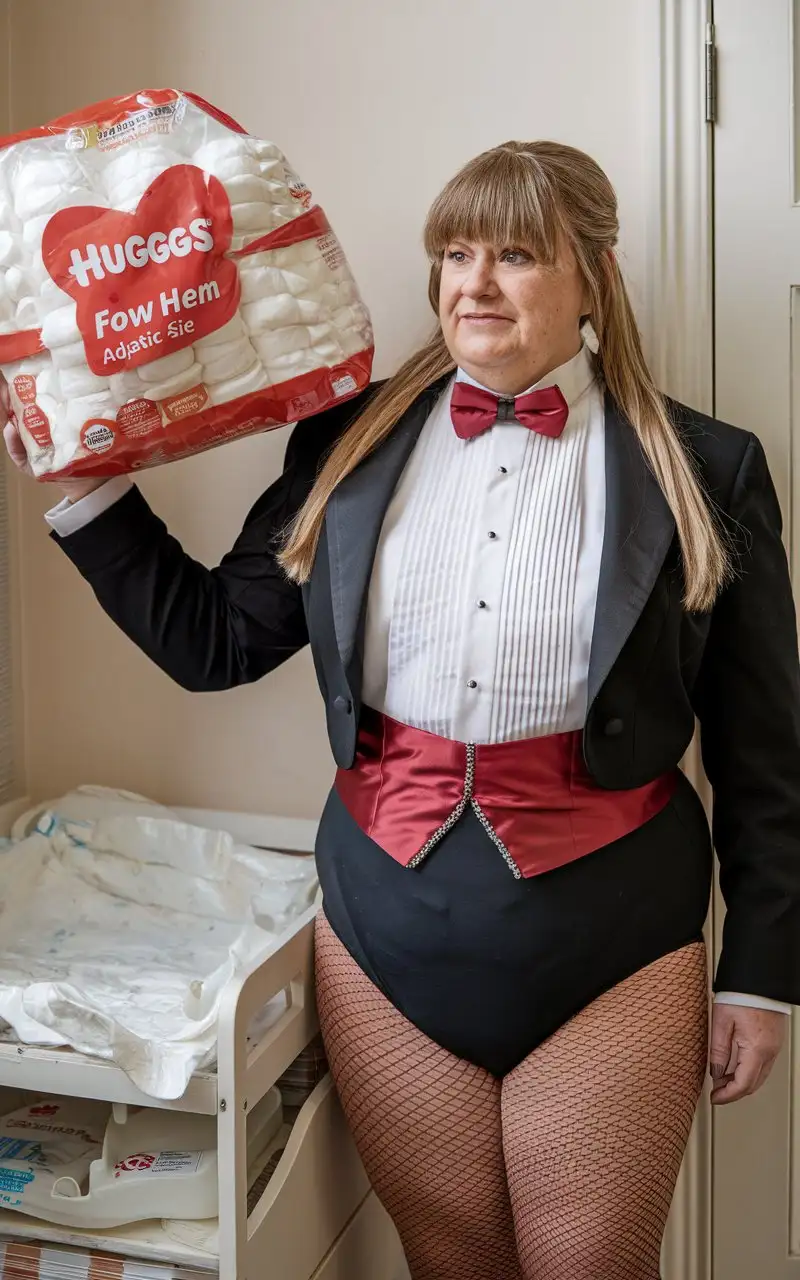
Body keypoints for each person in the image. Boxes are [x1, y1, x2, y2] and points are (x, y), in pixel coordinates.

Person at [5, 140, 799, 1280]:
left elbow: (764, 752)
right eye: (453, 252)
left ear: (593, 273)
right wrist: (78, 478)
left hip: (614, 944)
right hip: (383, 939)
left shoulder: (703, 466)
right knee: (450, 1263)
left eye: (515, 254)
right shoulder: (350, 439)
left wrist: (758, 970)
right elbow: (215, 640)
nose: (472, 282)